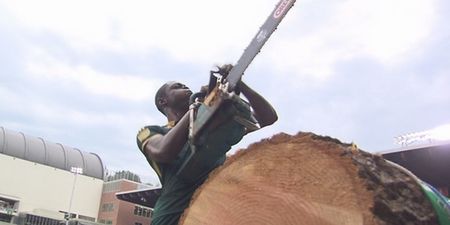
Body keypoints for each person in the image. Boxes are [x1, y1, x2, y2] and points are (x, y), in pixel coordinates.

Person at [136, 66, 278, 225]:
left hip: (210, 214)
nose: (186, 88)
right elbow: (163, 152)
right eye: (178, 87)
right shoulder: (152, 132)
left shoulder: (213, 127)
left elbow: (268, 117)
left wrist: (240, 85)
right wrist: (197, 107)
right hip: (172, 216)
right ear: (163, 101)